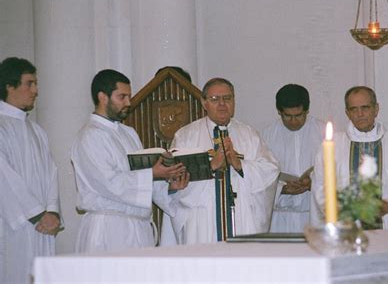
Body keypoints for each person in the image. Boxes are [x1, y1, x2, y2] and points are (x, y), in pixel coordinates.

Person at [71, 69, 189, 253]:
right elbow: (108, 183)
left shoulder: (129, 133)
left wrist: (169, 187)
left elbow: (141, 177)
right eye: (122, 97)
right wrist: (153, 173)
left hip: (139, 228)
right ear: (103, 97)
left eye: (129, 96)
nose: (129, 102)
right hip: (109, 229)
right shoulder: (90, 136)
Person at [161, 78, 279, 244]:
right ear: (204, 103)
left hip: (240, 217)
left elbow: (270, 172)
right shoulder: (186, 136)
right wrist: (211, 166)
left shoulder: (249, 135)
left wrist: (240, 166)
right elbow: (173, 178)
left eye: (227, 98)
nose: (222, 104)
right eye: (215, 99)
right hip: (201, 219)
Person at [310, 86, 388, 229]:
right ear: (347, 113)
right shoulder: (333, 145)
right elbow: (320, 185)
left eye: (365, 108)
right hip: (347, 227)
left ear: (376, 109)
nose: (360, 114)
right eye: (353, 109)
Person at [0, 57, 61, 284]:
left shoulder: (37, 131)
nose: (35, 91)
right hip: (12, 225)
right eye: (29, 83)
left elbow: (51, 173)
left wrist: (52, 212)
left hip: (41, 225)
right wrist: (37, 214)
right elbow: (3, 178)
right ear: (9, 85)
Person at [262, 84, 325, 233]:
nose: (293, 121)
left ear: (307, 110)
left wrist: (313, 181)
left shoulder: (323, 133)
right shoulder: (266, 136)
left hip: (314, 215)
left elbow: (336, 171)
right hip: (279, 217)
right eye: (287, 116)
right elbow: (260, 177)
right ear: (279, 112)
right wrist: (282, 189)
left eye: (299, 115)